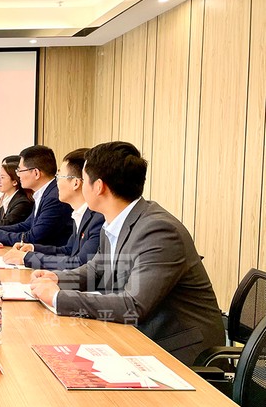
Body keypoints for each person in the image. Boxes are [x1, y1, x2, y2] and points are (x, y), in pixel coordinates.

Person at [29, 141, 225, 365]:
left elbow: (133, 304)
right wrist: (57, 278)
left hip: (180, 351)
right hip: (138, 337)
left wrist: (58, 297)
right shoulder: (115, 221)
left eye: (84, 179)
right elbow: (97, 268)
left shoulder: (158, 230)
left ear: (98, 187)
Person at [4, 148, 104, 269]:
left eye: (59, 176)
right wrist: (33, 248)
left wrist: (27, 258)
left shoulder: (98, 218)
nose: (56, 182)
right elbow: (68, 250)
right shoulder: (80, 213)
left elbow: (79, 263)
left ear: (76, 183)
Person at [0, 145, 73, 247]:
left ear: (36, 173)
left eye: (20, 171)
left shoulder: (54, 198)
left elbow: (33, 238)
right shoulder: (44, 193)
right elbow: (26, 225)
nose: (18, 175)